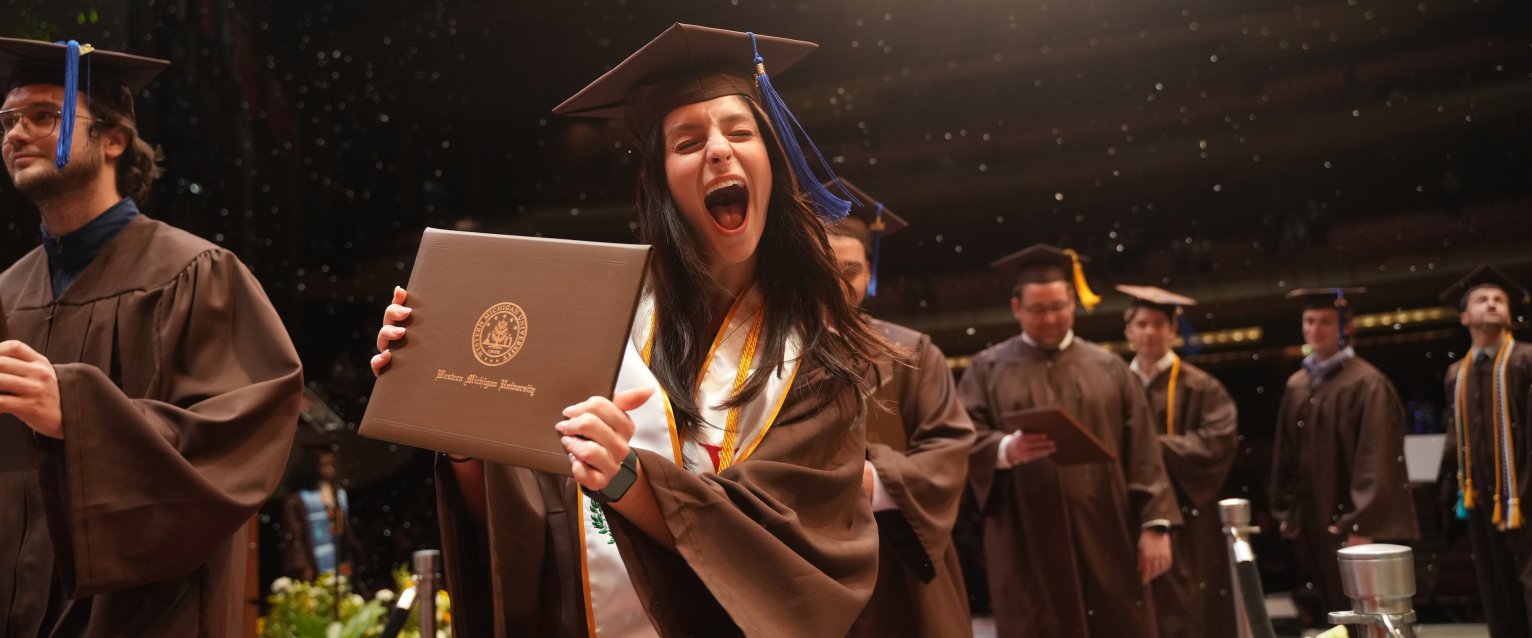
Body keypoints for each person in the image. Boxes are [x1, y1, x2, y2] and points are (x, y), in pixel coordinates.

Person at [372, 24, 890, 636]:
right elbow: (523, 531)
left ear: (773, 164)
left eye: (740, 130)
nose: (719, 150)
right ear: (660, 182)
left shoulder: (821, 359)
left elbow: (796, 557)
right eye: (687, 141)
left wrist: (629, 479)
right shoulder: (596, 321)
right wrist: (455, 413)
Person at [0, 38, 303, 635]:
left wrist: (79, 413)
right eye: (8, 119)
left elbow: (237, 439)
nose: (15, 134)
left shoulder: (196, 274)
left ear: (113, 140)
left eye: (43, 115)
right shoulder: (8, 292)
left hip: (143, 612)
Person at [957, 243, 1178, 638]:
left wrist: (1155, 525)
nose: (1049, 318)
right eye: (1038, 310)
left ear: (1073, 302)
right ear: (1016, 309)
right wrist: (1005, 449)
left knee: (1117, 622)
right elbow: (961, 439)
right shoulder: (986, 369)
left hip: (1107, 528)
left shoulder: (1109, 368)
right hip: (1025, 531)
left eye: (1058, 307)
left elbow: (1143, 450)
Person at [824, 178, 976, 637]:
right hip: (810, 560)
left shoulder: (910, 351)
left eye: (850, 271)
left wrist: (877, 480)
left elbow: (948, 447)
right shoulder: (770, 352)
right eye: (822, 270)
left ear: (869, 272)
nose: (838, 285)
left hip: (902, 553)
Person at [1268, 288, 1418, 627]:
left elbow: (1376, 456)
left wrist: (1360, 521)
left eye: (1326, 321)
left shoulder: (1367, 382)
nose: (1316, 329)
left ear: (1345, 328)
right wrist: (1289, 512)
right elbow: (1286, 454)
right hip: (1314, 523)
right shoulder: (1298, 384)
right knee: (1331, 613)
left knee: (1367, 615)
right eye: (1309, 321)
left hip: (1352, 524)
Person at [1117, 285, 1239, 638]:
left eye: (1159, 323)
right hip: (1126, 515)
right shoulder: (1113, 386)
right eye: (1141, 323)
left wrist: (1148, 448)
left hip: (1188, 519)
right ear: (1129, 331)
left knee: (1188, 613)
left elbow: (1216, 445)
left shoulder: (1202, 387)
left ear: (1172, 330)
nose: (1150, 331)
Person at [1437, 264, 1532, 638]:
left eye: (1498, 299)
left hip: (1526, 497)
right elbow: (1454, 433)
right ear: (1465, 316)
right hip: (1484, 501)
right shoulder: (1455, 374)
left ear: (1510, 314)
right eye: (1481, 299)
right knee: (1498, 592)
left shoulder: (1525, 360)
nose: (1491, 304)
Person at [282, 448, 361, 581]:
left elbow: (344, 529)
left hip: (336, 552)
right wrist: (303, 565)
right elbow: (295, 535)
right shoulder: (299, 499)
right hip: (313, 556)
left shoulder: (338, 493)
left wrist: (348, 555)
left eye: (331, 465)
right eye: (324, 465)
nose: (329, 469)